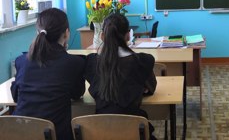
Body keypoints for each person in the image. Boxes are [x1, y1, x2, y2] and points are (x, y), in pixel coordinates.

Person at [11, 8, 86, 140]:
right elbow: (77, 93)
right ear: (67, 33)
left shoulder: (21, 61)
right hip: (54, 135)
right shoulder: (74, 63)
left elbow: (16, 96)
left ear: (37, 32)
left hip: (20, 133)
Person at [84, 13, 157, 139]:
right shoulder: (142, 61)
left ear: (102, 36)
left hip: (101, 132)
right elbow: (151, 88)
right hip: (133, 131)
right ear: (128, 35)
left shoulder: (92, 62)